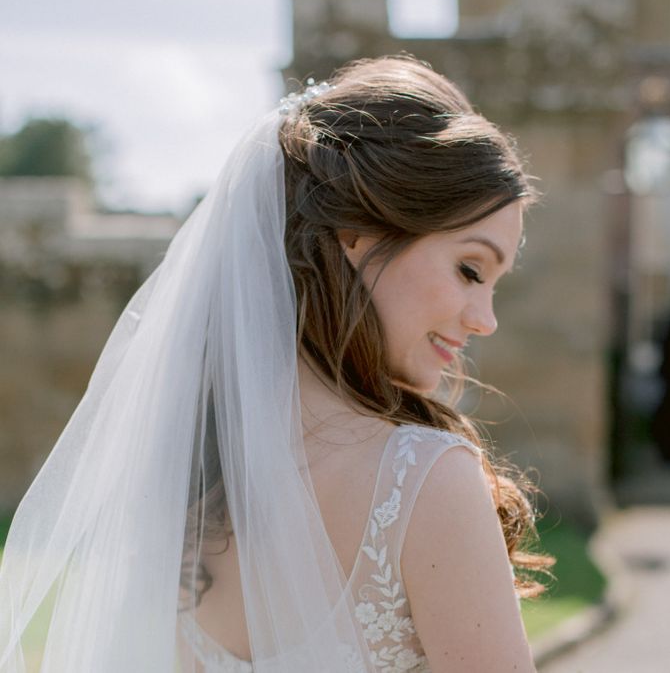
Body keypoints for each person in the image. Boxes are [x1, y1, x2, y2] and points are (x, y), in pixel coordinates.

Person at [0, 55, 550, 672]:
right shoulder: (427, 481)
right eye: (470, 270)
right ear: (360, 234)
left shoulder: (189, 480)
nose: (485, 318)